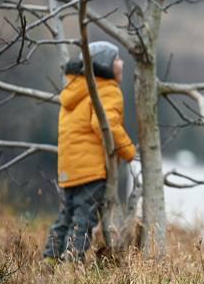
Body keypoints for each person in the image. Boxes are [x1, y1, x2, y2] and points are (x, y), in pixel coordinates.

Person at [42, 41, 136, 263]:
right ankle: (73, 262)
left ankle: (51, 259)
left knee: (65, 216)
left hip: (68, 168)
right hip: (91, 170)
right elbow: (104, 124)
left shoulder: (73, 88)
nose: (121, 63)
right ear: (105, 64)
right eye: (117, 59)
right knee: (84, 219)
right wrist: (129, 152)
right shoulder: (107, 90)